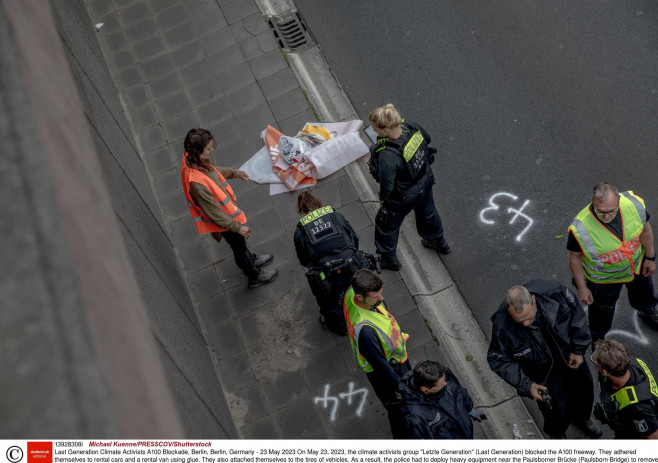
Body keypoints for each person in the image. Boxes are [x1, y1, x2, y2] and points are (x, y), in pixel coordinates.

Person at [487, 280, 601, 439]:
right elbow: (499, 360)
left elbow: (577, 316)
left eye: (529, 317)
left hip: (571, 358)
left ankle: (583, 418)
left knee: (584, 392)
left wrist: (578, 350)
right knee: (555, 411)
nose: (526, 324)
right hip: (544, 375)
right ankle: (557, 435)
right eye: (519, 321)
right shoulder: (502, 327)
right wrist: (527, 385)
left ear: (533, 300)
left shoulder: (555, 294)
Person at [181, 128, 278, 288]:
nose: (213, 150)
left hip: (225, 219)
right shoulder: (197, 184)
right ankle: (254, 276)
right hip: (223, 222)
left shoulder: (192, 159)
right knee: (239, 248)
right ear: (198, 151)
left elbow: (213, 172)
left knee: (240, 246)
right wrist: (237, 227)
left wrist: (234, 173)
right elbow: (215, 213)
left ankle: (251, 259)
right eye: (208, 148)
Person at [567, 181, 658, 341]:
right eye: (601, 212)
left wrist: (650, 257)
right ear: (592, 201)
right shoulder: (581, 228)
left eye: (611, 211)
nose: (606, 216)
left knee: (645, 294)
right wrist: (582, 288)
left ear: (619, 201)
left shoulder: (633, 206)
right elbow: (574, 257)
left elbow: (645, 230)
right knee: (602, 312)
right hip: (603, 282)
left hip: (636, 268)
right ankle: (597, 337)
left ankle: (647, 310)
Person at [367, 104, 449, 271]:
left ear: (385, 130)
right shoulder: (410, 126)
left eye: (376, 129)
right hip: (425, 179)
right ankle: (437, 241)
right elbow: (428, 138)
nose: (375, 132)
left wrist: (383, 197)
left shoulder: (387, 154)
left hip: (404, 195)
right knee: (428, 212)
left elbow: (387, 184)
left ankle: (388, 259)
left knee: (386, 224)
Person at [294, 191, 375, 336]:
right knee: (362, 287)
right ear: (319, 203)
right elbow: (354, 238)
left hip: (326, 274)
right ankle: (371, 314)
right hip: (351, 264)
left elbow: (303, 259)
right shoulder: (335, 216)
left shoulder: (300, 230)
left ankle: (340, 327)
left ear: (302, 211)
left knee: (327, 300)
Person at [343, 269, 410, 437]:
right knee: (398, 409)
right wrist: (402, 389)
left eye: (381, 293)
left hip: (394, 361)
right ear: (360, 297)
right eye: (375, 297)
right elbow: (381, 367)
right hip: (390, 373)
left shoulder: (350, 292)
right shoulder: (366, 331)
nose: (381, 299)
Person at [397, 360, 485, 439]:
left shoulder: (444, 375)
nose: (446, 383)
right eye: (441, 384)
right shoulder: (414, 417)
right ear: (425, 389)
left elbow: (461, 392)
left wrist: (471, 410)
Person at [592, 339, 658, 439]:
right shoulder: (625, 363)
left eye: (595, 360)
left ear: (604, 371)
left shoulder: (639, 407)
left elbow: (653, 437)